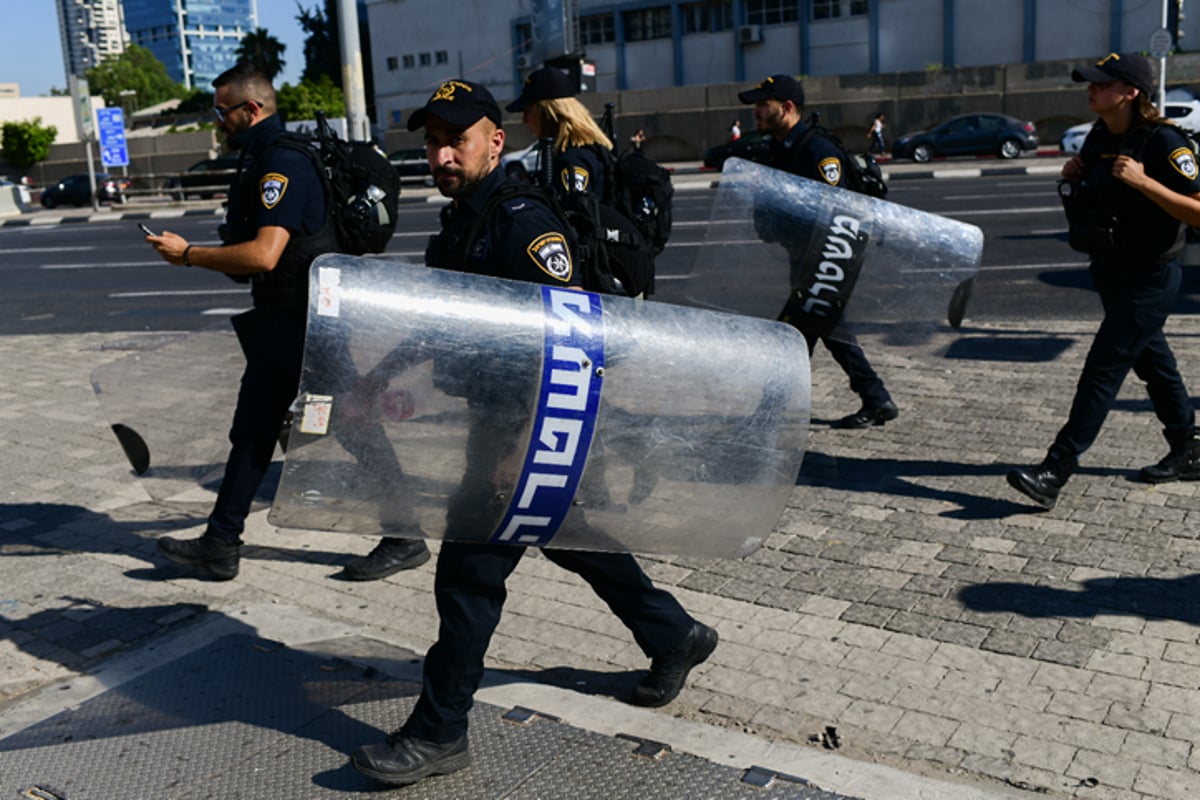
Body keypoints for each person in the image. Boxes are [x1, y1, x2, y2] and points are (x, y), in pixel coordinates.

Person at [349, 79, 717, 787]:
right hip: (499, 421)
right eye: (431, 143)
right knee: (568, 536)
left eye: (456, 140)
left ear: (495, 140)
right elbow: (442, 320)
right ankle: (676, 634)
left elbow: (576, 337)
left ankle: (439, 731)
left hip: (528, 424)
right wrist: (377, 377)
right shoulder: (465, 220)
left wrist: (523, 449)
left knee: (467, 579)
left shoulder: (522, 223)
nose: (441, 155)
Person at [144, 62, 430, 580]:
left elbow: (264, 256)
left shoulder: (283, 165)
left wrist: (188, 255)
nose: (218, 121)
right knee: (261, 427)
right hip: (292, 318)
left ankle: (404, 534)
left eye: (222, 111)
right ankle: (222, 540)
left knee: (339, 425)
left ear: (252, 109)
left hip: (304, 322)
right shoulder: (264, 159)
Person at [1007, 52, 1200, 509]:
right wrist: (1076, 174)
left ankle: (1055, 469)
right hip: (1110, 271)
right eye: (1089, 83)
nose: (1090, 89)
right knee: (1156, 365)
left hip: (1151, 277)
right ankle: (1189, 447)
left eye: (1101, 83)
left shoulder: (1165, 142)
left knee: (1102, 371)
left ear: (1131, 92)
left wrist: (1145, 183)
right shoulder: (1099, 137)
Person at [739, 73, 899, 429]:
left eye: (763, 105)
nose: (757, 112)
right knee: (824, 329)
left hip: (831, 256)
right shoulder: (781, 147)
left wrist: (822, 262)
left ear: (788, 107)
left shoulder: (817, 150)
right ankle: (876, 398)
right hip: (805, 255)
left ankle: (769, 411)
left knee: (795, 332)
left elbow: (838, 211)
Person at [505, 66, 613, 200]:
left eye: (527, 111)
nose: (524, 120)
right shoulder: (585, 153)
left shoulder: (571, 161)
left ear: (548, 114)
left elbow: (575, 215)